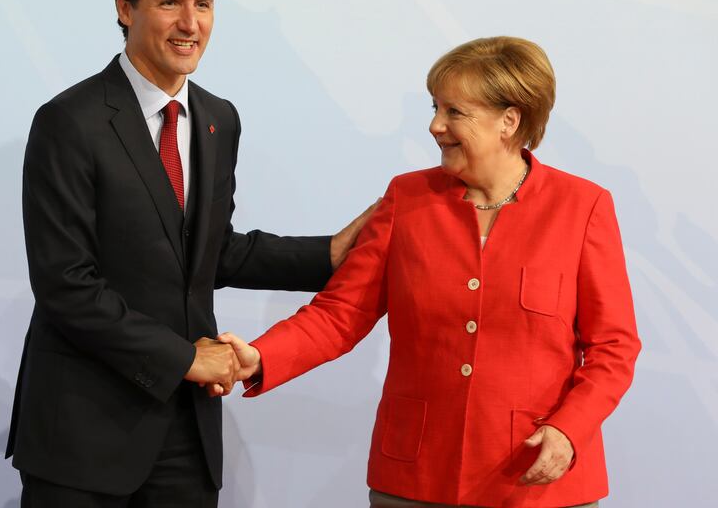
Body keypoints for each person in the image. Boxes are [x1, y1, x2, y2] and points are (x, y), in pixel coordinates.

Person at [5, 0, 373, 507]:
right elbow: (65, 284)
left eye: (202, 4)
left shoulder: (217, 118)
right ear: (125, 8)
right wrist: (185, 358)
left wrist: (328, 253)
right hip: (83, 430)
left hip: (186, 431)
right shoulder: (68, 122)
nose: (190, 22)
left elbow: (211, 251)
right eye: (169, 2)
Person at [219, 36, 642, 507]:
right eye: (435, 108)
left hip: (536, 483)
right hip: (417, 477)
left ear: (510, 120)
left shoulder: (583, 207)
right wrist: (259, 356)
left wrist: (569, 430)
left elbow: (613, 347)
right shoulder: (406, 198)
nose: (435, 125)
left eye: (454, 112)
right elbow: (341, 314)